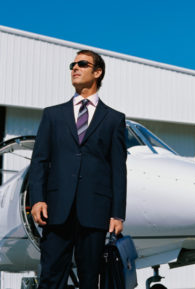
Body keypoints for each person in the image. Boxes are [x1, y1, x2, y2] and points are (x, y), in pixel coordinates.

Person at [28, 49, 127, 289]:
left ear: (97, 72)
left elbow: (117, 169)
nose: (74, 68)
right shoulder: (53, 115)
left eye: (82, 64)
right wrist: (38, 199)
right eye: (72, 64)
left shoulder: (114, 119)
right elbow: (39, 160)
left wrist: (117, 213)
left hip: (94, 211)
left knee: (90, 279)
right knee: (50, 277)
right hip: (57, 210)